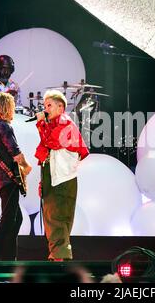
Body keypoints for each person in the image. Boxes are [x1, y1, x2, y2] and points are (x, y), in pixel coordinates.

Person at [34, 89, 89, 261]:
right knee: (57, 216)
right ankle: (60, 253)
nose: (46, 109)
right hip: (56, 176)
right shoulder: (53, 125)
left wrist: (40, 124)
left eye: (49, 105)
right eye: (44, 105)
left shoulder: (64, 122)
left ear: (60, 107)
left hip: (62, 177)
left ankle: (60, 255)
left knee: (56, 216)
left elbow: (52, 142)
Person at [0, 92, 32, 261]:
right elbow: (15, 153)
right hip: (8, 178)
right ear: (5, 107)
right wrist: (26, 166)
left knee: (16, 219)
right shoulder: (3, 126)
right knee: (9, 219)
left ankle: (8, 257)